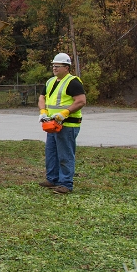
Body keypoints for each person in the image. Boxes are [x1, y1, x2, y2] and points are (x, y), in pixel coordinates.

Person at [37, 53, 86, 194]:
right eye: (53, 66)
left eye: (57, 66)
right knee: (51, 153)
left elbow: (81, 101)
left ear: (66, 67)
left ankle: (66, 184)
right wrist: (43, 112)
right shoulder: (50, 82)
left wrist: (65, 113)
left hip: (68, 125)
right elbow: (42, 97)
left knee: (65, 154)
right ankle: (52, 179)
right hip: (52, 124)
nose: (54, 68)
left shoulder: (73, 82)